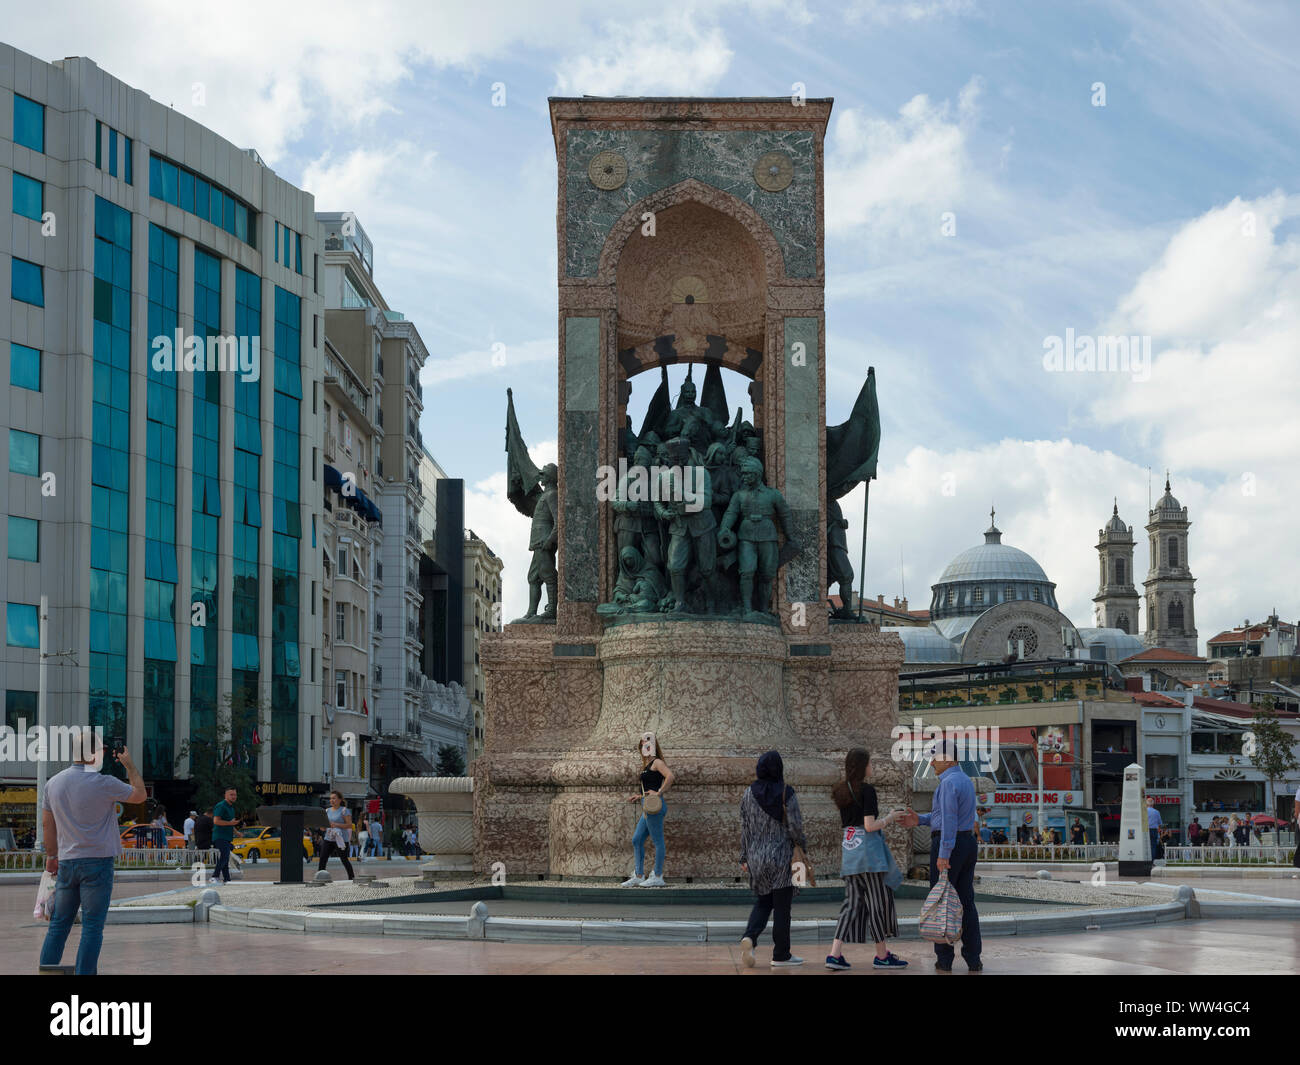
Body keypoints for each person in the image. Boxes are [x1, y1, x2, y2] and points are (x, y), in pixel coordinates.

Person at [39, 729, 146, 975]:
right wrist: (129, 766)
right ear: (96, 754)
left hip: (67, 862)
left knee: (58, 926)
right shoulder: (104, 782)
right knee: (92, 927)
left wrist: (51, 857)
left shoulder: (53, 783)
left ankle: (47, 973)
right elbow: (140, 795)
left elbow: (47, 824)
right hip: (98, 863)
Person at [902, 740, 982, 973]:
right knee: (966, 902)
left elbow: (948, 820)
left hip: (950, 845)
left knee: (941, 900)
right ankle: (973, 958)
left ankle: (944, 960)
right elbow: (946, 816)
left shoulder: (947, 784)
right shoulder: (964, 780)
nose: (932, 761)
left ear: (948, 759)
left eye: (935, 757)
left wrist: (944, 852)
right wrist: (921, 819)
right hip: (967, 843)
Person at [825, 748, 906, 971]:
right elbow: (870, 826)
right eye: (870, 764)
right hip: (869, 857)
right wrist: (890, 817)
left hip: (850, 853)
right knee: (876, 904)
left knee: (850, 905)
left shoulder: (840, 790)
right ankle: (882, 956)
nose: (872, 767)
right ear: (863, 766)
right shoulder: (867, 791)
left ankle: (834, 954)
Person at [738, 751, 808, 968]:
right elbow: (795, 826)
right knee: (782, 907)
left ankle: (750, 937)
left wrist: (744, 857)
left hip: (757, 858)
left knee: (763, 901)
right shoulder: (787, 792)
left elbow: (745, 829)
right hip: (782, 857)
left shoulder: (748, 794)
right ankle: (781, 954)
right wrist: (802, 848)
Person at [622, 732, 673, 887]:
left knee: (658, 841)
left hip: (655, 806)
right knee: (637, 839)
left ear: (652, 746)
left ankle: (657, 875)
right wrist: (639, 796)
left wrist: (658, 792)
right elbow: (649, 785)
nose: (644, 747)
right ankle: (639, 875)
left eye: (646, 744)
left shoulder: (657, 762)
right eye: (642, 745)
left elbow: (670, 776)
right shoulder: (647, 765)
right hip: (647, 805)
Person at [318, 790, 355, 880]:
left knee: (344, 859)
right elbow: (323, 827)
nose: (332, 800)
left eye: (334, 798)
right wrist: (322, 826)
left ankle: (352, 877)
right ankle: (319, 877)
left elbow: (349, 825)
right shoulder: (327, 810)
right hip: (329, 838)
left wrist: (336, 824)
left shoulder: (344, 810)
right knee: (323, 857)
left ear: (339, 800)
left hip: (341, 839)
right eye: (330, 798)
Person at [212, 786, 242, 884]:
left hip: (227, 837)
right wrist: (230, 824)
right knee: (225, 856)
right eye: (231, 794)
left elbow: (230, 823)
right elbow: (216, 821)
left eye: (235, 795)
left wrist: (236, 832)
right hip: (220, 836)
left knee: (225, 858)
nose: (234, 797)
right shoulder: (221, 805)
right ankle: (214, 876)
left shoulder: (231, 808)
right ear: (225, 795)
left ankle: (227, 879)